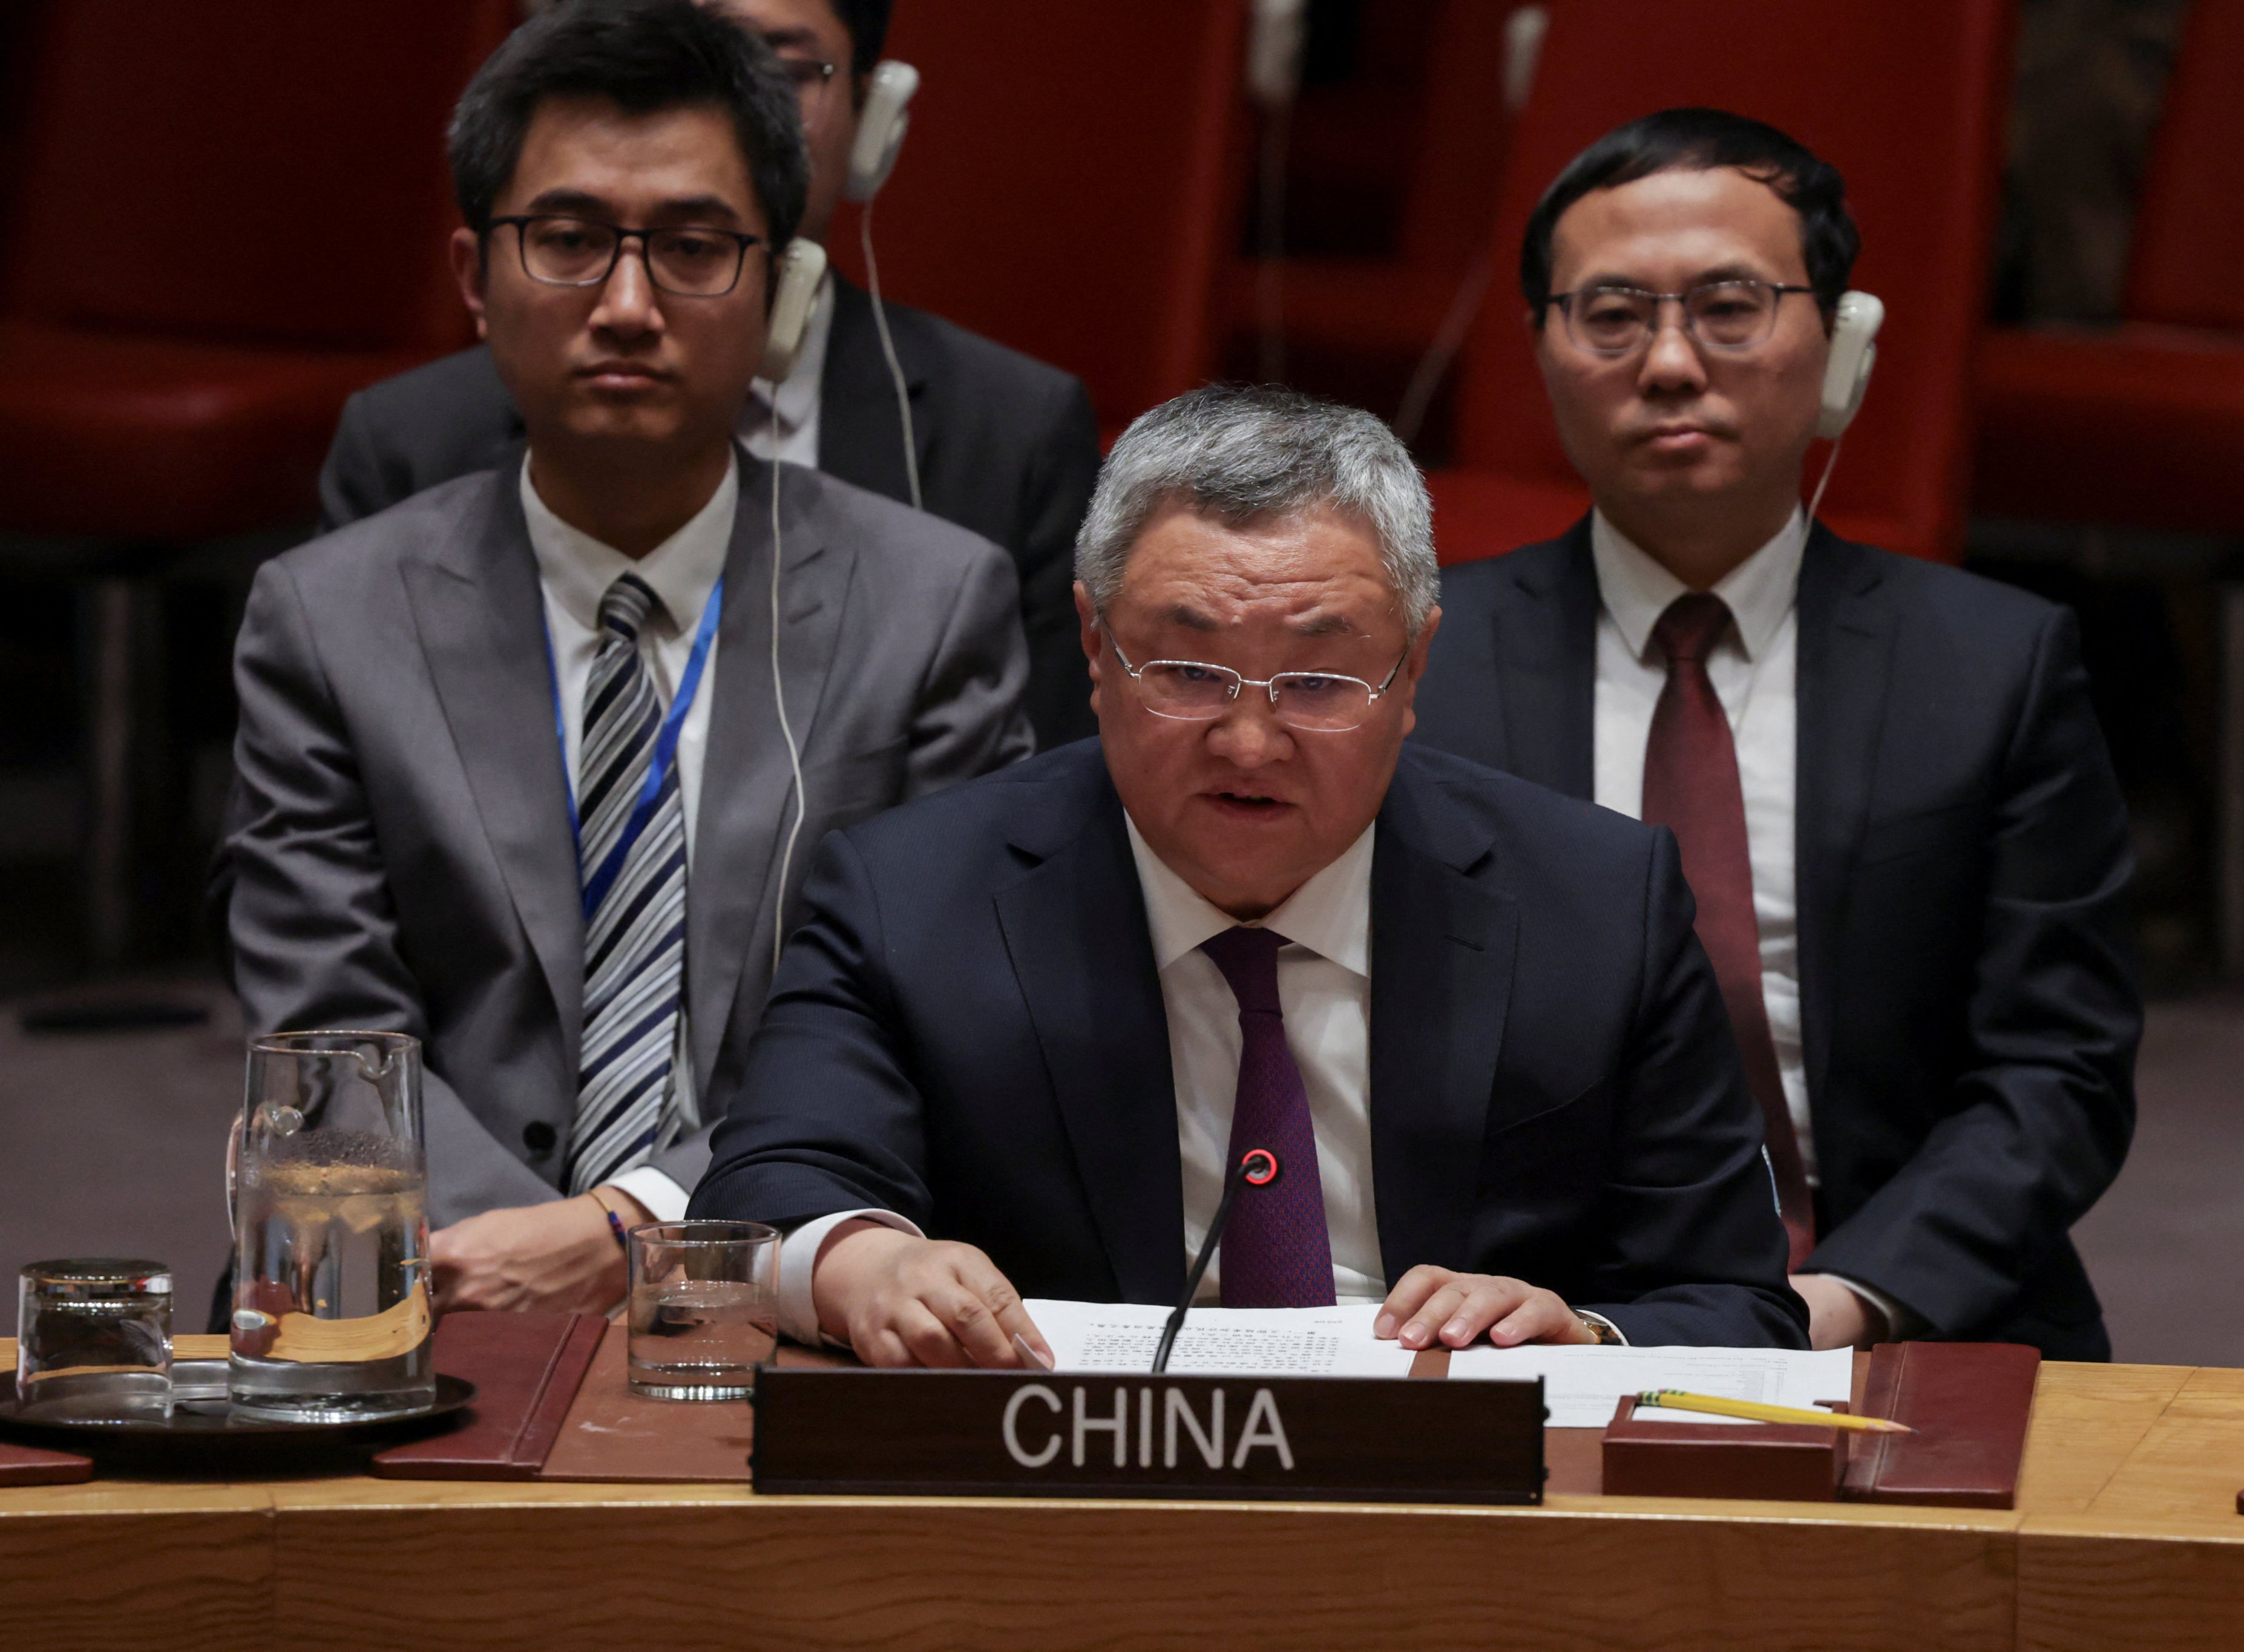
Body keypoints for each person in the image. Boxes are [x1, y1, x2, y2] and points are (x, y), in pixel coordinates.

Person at [691, 384, 1805, 1366]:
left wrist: (1583, 1342)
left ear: (1413, 665)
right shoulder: (910, 894)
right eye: (1185, 669)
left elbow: (1738, 1303)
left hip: (1463, 1515)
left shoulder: (1599, 904)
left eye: (1319, 679)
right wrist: (863, 1261)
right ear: (1093, 645)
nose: (1251, 743)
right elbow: (771, 1185)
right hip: (1060, 1502)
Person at [222, 0, 1031, 1317]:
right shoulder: (324, 615)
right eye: (570, 241)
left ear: (779, 283)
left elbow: (924, 1018)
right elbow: (327, 1037)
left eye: (696, 247)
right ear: (475, 279)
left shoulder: (931, 605)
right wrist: (495, 1243)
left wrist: (636, 1226)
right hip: (408, 1273)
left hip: (790, 1274)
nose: (628, 304)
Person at [1412, 110, 2141, 1359]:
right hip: (1531, 1328)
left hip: (1904, 1313)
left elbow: (2054, 1071)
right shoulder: (1424, 665)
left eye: (1729, 306)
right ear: (1539, 350)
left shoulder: (1989, 667)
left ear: (1839, 343)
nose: (1669, 363)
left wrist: (1824, 1307)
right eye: (1610, 314)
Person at [318, 0, 1100, 748]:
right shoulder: (405, 446)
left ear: (873, 114)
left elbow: (1033, 828)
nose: (629, 309)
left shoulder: (1013, 438)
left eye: (774, 69)